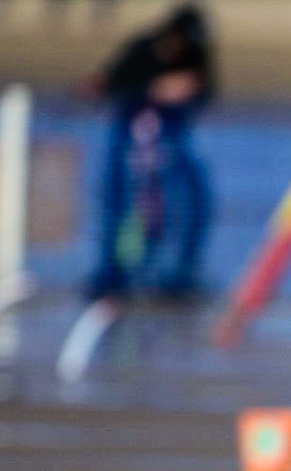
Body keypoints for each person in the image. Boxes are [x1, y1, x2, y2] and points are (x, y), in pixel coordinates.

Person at [85, 3, 214, 300]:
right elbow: (113, 82)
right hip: (129, 142)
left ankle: (177, 274)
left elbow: (206, 90)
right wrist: (153, 89)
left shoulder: (197, 56)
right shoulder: (143, 48)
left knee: (184, 206)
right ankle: (117, 272)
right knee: (124, 209)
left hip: (171, 143)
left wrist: (186, 93)